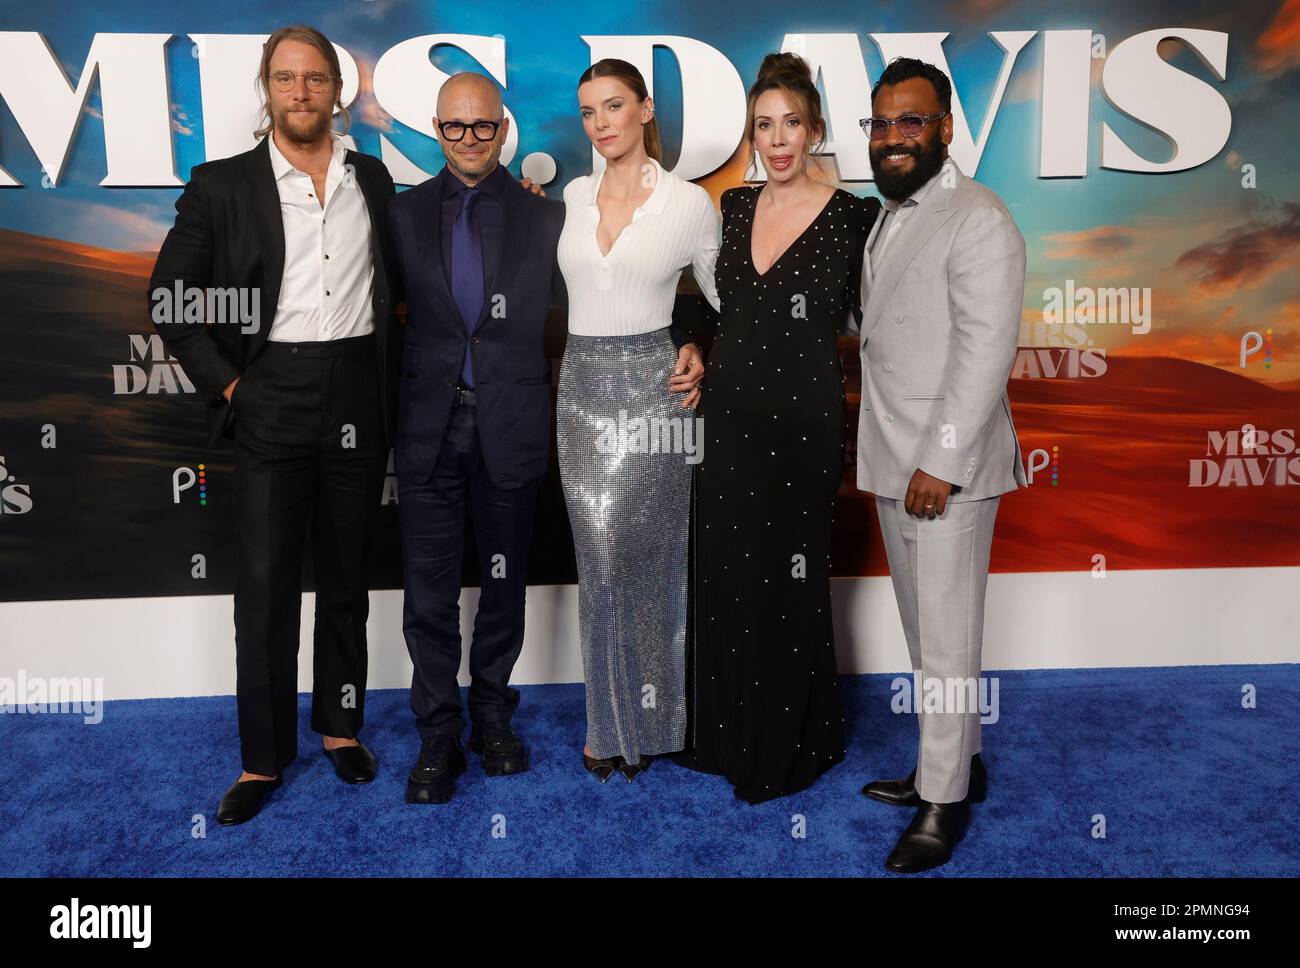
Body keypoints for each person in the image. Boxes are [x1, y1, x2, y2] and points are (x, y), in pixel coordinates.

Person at [149, 25, 400, 825]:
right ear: (268, 88)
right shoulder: (221, 185)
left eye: (316, 78)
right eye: (287, 78)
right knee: (263, 590)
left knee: (348, 580)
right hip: (268, 395)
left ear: (337, 90)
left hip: (358, 389)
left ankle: (340, 728)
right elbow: (174, 302)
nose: (301, 92)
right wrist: (232, 388)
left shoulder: (375, 179)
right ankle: (261, 761)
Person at [676, 52, 879, 804]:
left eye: (791, 123)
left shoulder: (857, 217)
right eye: (764, 126)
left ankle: (795, 738)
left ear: (816, 128)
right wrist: (692, 344)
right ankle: (727, 733)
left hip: (803, 422)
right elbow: (702, 300)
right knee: (728, 574)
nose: (778, 139)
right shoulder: (733, 208)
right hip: (729, 420)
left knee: (789, 579)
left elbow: (885, 320)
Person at [853, 57, 1027, 873]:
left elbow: (985, 353)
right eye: (882, 123)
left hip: (941, 467)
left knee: (949, 643)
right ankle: (952, 763)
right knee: (929, 634)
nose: (893, 138)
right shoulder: (891, 213)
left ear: (946, 128)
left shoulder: (979, 217)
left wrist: (942, 463)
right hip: (892, 456)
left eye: (910, 122)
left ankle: (944, 803)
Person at [386, 72, 565, 805]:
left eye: (482, 127)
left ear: (502, 129)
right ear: (437, 129)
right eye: (455, 128)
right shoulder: (399, 215)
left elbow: (593, 306)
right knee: (428, 596)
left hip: (511, 424)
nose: (469, 139)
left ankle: (493, 718)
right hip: (430, 425)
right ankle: (437, 737)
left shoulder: (546, 220)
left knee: (502, 585)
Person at [556, 58, 711, 782]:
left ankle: (653, 723)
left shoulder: (689, 204)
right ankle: (603, 724)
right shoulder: (570, 195)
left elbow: (719, 301)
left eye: (614, 106)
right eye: (589, 112)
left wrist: (699, 349)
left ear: (646, 110)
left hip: (656, 389)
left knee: (653, 557)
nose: (600, 123)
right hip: (581, 389)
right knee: (600, 557)